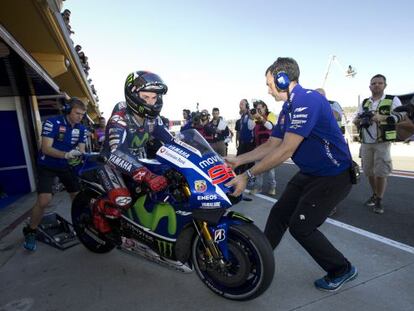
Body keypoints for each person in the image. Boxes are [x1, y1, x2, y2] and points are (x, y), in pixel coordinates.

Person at [226, 57, 357, 292]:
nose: (267, 89)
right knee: (279, 214)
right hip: (310, 173)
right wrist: (239, 160)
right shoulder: (287, 109)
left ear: (282, 79)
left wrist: (247, 176)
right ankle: (260, 258)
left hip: (333, 176)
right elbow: (272, 144)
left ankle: (342, 269)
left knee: (301, 227)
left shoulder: (307, 101)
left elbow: (286, 149)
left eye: (269, 84)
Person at [92, 71, 174, 242]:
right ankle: (99, 210)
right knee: (123, 200)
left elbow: (172, 141)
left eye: (154, 97)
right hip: (111, 163)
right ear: (133, 94)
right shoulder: (120, 116)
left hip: (139, 163)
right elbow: (115, 152)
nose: (151, 101)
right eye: (146, 97)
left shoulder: (153, 119)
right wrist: (146, 174)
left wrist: (202, 155)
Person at [23, 98, 87, 251]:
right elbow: (46, 149)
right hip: (48, 165)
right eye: (77, 113)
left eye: (82, 114)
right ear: (67, 110)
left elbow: (82, 150)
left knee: (78, 199)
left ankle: (83, 227)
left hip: (66, 166)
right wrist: (66, 155)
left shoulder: (82, 128)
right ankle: (31, 231)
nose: (80, 117)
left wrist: (80, 157)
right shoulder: (52, 123)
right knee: (44, 200)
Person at [353, 74, 402, 214]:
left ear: (385, 85)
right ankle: (375, 194)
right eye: (374, 83)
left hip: (382, 142)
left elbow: (401, 117)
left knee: (381, 172)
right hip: (366, 141)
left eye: (380, 83)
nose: (376, 85)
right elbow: (358, 116)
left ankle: (379, 199)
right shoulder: (365, 102)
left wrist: (382, 118)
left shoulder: (392, 100)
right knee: (368, 172)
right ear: (370, 86)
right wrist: (358, 120)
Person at [249, 100, 277, 195]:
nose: (258, 110)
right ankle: (258, 188)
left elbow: (270, 126)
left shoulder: (270, 115)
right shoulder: (256, 118)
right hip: (258, 147)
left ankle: (272, 187)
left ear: (265, 107)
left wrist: (260, 117)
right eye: (257, 109)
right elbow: (250, 127)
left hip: (269, 147)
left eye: (260, 108)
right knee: (258, 169)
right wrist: (251, 117)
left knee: (270, 170)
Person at [235, 99, 255, 176]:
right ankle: (238, 176)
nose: (240, 106)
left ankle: (250, 177)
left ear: (247, 105)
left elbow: (252, 124)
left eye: (242, 104)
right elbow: (239, 131)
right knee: (239, 160)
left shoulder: (250, 114)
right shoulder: (242, 116)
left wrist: (249, 111)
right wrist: (237, 141)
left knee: (250, 161)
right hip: (242, 142)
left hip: (249, 143)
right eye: (240, 104)